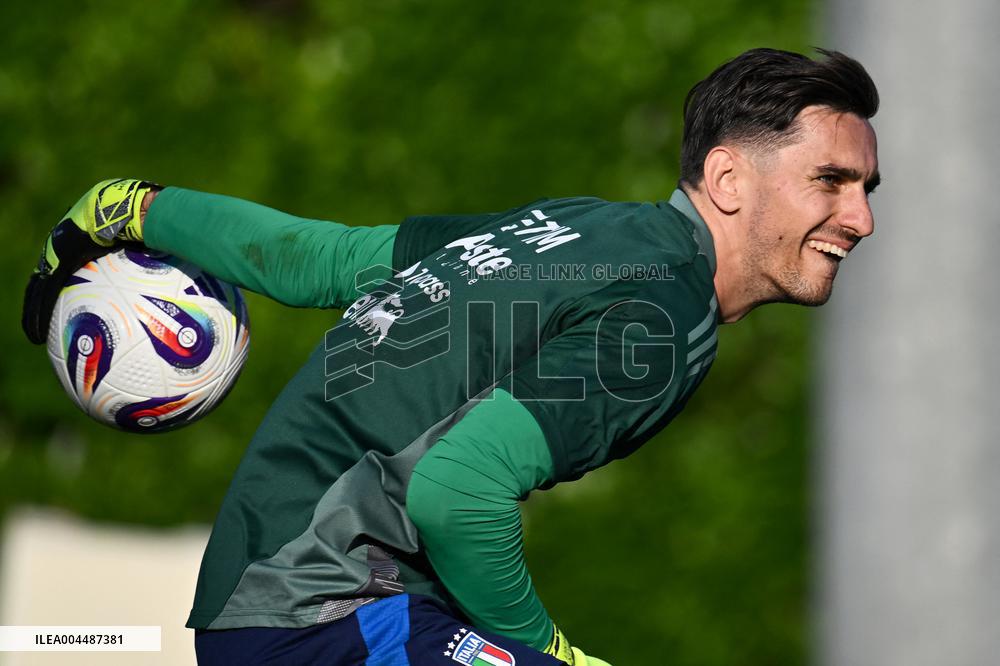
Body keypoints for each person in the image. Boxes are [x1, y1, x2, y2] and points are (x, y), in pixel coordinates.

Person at [21, 47, 880, 665]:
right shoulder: (667, 315)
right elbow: (457, 491)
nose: (861, 218)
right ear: (727, 180)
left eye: (865, 188)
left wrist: (134, 208)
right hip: (324, 616)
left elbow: (317, 259)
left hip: (268, 609)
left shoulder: (580, 226)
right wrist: (548, 650)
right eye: (830, 180)